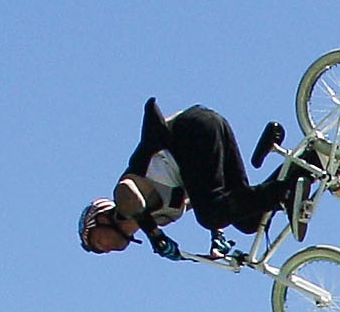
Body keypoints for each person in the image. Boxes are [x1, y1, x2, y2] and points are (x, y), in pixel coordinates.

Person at [76, 100, 305, 258]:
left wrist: (155, 236)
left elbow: (130, 195)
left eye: (97, 241)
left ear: (104, 218)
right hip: (206, 133)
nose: (104, 249)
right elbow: (201, 194)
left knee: (211, 215)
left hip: (192, 130)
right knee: (249, 222)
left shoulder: (124, 203)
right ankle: (307, 162)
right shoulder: (162, 217)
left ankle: (285, 192)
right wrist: (217, 237)